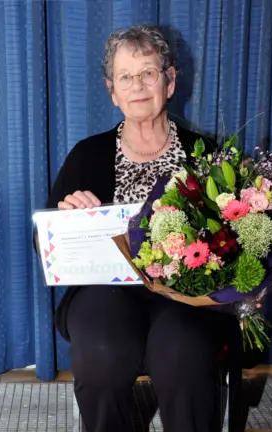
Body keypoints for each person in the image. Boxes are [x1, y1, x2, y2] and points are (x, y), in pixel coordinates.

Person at [44, 24, 237, 432]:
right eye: (125, 77)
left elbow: (232, 242)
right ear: (112, 91)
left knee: (183, 358)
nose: (137, 85)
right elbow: (44, 244)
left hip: (186, 295)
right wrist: (67, 219)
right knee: (101, 356)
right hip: (104, 291)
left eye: (148, 72)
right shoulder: (87, 154)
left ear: (170, 80)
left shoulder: (206, 156)